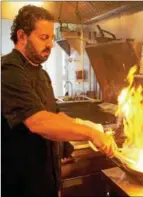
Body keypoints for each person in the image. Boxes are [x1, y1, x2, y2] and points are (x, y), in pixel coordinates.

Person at [1, 5, 118, 197]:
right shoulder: (9, 71)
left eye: (52, 38)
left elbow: (54, 115)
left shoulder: (41, 74)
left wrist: (82, 127)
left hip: (46, 180)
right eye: (43, 37)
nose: (51, 45)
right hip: (20, 184)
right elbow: (38, 122)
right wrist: (89, 133)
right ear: (22, 36)